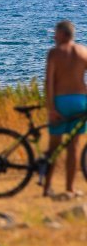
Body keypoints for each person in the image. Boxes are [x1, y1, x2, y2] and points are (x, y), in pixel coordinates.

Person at [43, 21, 87, 199]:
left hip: (61, 101)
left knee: (53, 147)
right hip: (80, 101)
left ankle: (46, 187)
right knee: (74, 147)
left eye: (56, 33)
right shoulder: (83, 52)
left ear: (63, 34)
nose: (54, 36)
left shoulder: (54, 53)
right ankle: (69, 188)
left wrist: (51, 108)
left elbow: (49, 82)